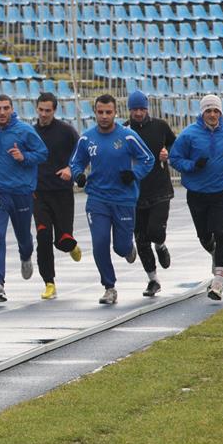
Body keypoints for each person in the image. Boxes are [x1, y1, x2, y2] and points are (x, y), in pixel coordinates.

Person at [69, 94, 154, 304]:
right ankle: (109, 287)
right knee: (99, 243)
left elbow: (148, 158)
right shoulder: (87, 138)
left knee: (121, 247)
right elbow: (75, 162)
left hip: (124, 199)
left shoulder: (128, 136)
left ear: (115, 113)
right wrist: (78, 175)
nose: (104, 116)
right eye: (100, 112)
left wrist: (134, 174)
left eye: (108, 112)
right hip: (97, 199)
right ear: (95, 113)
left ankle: (128, 248)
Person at [169, 94, 223, 300]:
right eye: (208, 111)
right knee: (205, 237)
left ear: (221, 113)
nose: (212, 115)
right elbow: (175, 158)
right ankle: (214, 253)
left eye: (216, 111)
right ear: (202, 113)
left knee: (221, 234)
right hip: (197, 193)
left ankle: (218, 283)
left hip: (222, 192)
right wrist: (193, 165)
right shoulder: (188, 135)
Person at [0, 94, 48, 302]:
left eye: (6, 108)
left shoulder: (25, 131)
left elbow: (42, 153)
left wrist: (24, 157)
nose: (2, 112)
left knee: (23, 236)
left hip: (21, 191)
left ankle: (26, 255)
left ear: (12, 109)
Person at [124, 90, 177, 297]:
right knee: (141, 239)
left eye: (142, 109)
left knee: (155, 231)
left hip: (160, 188)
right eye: (134, 109)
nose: (138, 113)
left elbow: (173, 143)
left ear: (147, 109)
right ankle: (153, 280)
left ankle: (161, 245)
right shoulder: (123, 129)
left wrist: (168, 152)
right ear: (129, 109)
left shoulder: (160, 126)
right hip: (135, 192)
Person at [32, 92, 82, 300]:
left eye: (48, 111)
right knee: (43, 237)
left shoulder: (66, 131)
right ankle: (49, 282)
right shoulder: (30, 133)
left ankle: (71, 245)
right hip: (38, 193)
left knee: (62, 239)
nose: (44, 114)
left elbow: (82, 153)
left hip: (62, 192)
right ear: (36, 109)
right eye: (41, 110)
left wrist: (71, 169)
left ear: (54, 110)